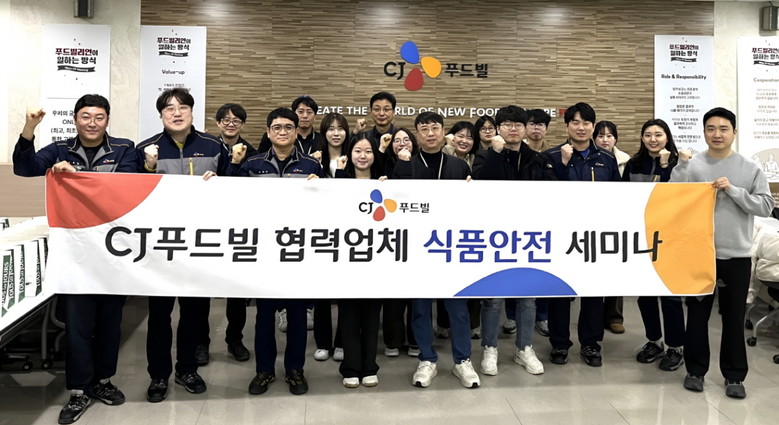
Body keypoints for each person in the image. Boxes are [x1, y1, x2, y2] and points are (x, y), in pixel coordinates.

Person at [13, 94, 137, 424]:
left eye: (99, 117)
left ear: (107, 120)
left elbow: (126, 188)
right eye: (85, 116)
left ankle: (103, 381)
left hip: (113, 253)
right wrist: (29, 127)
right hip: (75, 254)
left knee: (110, 323)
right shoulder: (58, 150)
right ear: (75, 120)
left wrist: (77, 177)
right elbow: (24, 168)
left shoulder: (125, 149)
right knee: (78, 326)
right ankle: (79, 390)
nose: (92, 123)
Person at [671, 107, 773, 399]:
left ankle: (734, 376)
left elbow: (765, 206)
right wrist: (680, 165)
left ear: (734, 133)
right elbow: (673, 197)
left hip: (737, 257)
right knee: (697, 316)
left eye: (723, 128)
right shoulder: (692, 165)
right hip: (698, 254)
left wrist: (734, 191)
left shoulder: (749, 168)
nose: (717, 134)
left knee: (733, 317)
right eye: (711, 128)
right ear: (704, 132)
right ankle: (695, 371)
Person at [137, 88, 229, 402]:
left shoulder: (213, 145)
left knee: (194, 314)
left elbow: (236, 186)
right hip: (160, 246)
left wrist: (221, 180)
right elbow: (131, 194)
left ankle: (187, 369)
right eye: (169, 108)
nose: (176, 113)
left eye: (183, 108)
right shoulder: (145, 149)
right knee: (159, 316)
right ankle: (158, 375)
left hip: (199, 245)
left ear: (192, 111)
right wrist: (149, 168)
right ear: (161, 115)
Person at [228, 107, 323, 396]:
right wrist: (232, 166)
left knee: (297, 316)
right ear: (268, 132)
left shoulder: (311, 166)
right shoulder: (253, 164)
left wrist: (320, 189)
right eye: (277, 127)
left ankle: (295, 369)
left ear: (296, 131)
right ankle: (264, 370)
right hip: (264, 252)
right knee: (264, 317)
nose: (283, 132)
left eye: (288, 127)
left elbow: (326, 207)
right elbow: (231, 197)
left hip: (297, 251)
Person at [393, 111, 478, 389]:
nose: (430, 133)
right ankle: (427, 359)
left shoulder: (459, 167)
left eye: (435, 128)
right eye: (424, 129)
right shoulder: (405, 165)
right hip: (417, 249)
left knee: (458, 309)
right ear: (417, 135)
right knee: (420, 308)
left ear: (444, 133)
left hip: (451, 248)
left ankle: (462, 360)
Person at [472, 105, 555, 377]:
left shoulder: (537, 158)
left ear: (525, 128)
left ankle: (524, 348)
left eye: (518, 124)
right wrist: (496, 154)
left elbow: (551, 194)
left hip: (529, 236)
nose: (513, 129)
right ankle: (490, 348)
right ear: (498, 128)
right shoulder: (486, 156)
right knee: (493, 299)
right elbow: (482, 187)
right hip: (495, 235)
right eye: (507, 124)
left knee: (527, 298)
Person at [544, 102, 620, 368]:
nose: (580, 127)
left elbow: (618, 197)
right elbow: (548, 194)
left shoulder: (607, 158)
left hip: (595, 237)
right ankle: (559, 344)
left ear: (593, 126)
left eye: (586, 123)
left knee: (593, 294)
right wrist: (564, 165)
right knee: (559, 293)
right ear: (567, 126)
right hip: (561, 235)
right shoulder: (552, 156)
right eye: (575, 122)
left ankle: (591, 344)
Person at [623, 118, 685, 371]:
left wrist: (665, 166)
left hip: (671, 238)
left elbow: (678, 195)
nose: (653, 139)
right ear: (642, 138)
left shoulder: (680, 164)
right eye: (648, 134)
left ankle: (676, 347)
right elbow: (621, 196)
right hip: (641, 238)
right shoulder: (633, 164)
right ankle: (654, 341)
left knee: (670, 296)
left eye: (658, 134)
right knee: (646, 295)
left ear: (667, 137)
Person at [333, 135, 385, 387]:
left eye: (368, 151)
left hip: (377, 260)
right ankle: (351, 368)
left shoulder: (386, 183)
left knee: (372, 317)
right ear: (349, 154)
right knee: (349, 316)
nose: (363, 156)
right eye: (357, 151)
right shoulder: (340, 181)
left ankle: (370, 367)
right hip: (347, 260)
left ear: (375, 155)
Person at [214, 103, 256, 363]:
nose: (231, 124)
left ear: (242, 124)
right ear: (218, 123)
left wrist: (236, 163)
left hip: (239, 228)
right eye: (226, 120)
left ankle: (235, 340)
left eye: (236, 120)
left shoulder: (252, 153)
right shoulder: (208, 147)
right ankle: (200, 343)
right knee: (201, 291)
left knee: (237, 293)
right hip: (209, 226)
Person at [311, 112, 347, 361]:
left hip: (348, 232)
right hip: (322, 230)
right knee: (321, 291)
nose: (336, 133)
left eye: (340, 128)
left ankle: (342, 342)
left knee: (345, 293)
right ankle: (323, 342)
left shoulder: (355, 156)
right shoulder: (314, 160)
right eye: (330, 128)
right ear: (323, 133)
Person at [593, 120, 630, 335]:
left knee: (616, 269)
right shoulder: (588, 159)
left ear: (615, 138)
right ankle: (595, 316)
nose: (605, 140)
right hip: (593, 222)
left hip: (618, 221)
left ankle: (614, 316)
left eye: (609, 136)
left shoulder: (627, 161)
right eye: (600, 135)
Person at [524, 109, 552, 337]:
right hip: (518, 222)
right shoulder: (515, 152)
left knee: (542, 271)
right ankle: (512, 316)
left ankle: (542, 316)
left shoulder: (553, 154)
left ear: (546, 129)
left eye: (541, 124)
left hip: (545, 222)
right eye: (532, 124)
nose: (536, 128)